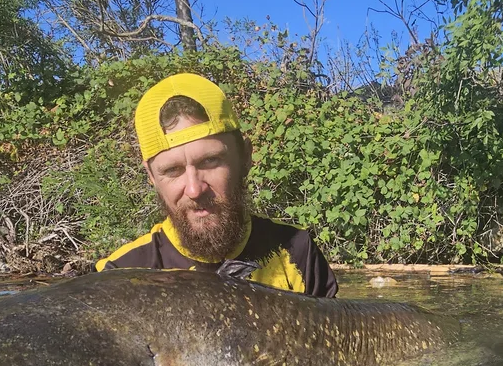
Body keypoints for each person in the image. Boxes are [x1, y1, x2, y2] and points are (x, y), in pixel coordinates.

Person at [95, 72, 338, 299]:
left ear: (245, 157)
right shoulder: (119, 277)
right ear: (151, 176)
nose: (194, 190)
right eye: (172, 170)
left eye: (210, 161)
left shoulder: (296, 251)